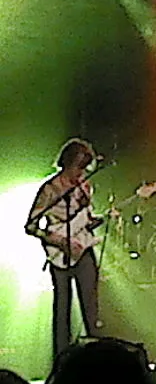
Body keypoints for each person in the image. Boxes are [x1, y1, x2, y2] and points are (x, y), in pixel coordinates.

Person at [25, 138, 103, 359]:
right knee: (62, 309)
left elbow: (86, 218)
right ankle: (61, 360)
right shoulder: (50, 189)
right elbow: (31, 226)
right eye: (79, 167)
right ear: (68, 163)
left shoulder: (84, 186)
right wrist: (58, 241)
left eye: (84, 169)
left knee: (91, 306)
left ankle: (98, 358)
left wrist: (95, 220)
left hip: (83, 249)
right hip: (59, 254)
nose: (81, 173)